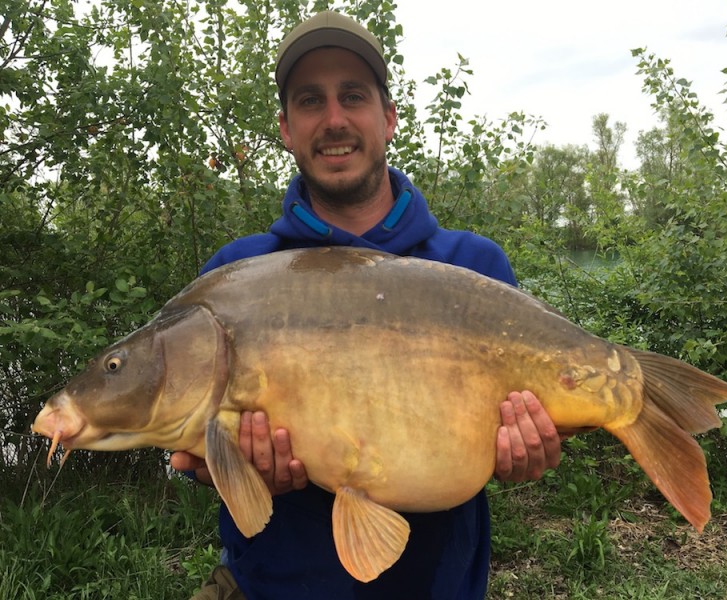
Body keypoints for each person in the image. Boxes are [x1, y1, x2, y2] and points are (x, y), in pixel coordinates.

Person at [170, 10, 562, 600]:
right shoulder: (235, 275)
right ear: (285, 127)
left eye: (352, 96)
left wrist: (528, 451)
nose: (333, 120)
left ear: (388, 117)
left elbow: (526, 434)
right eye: (310, 101)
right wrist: (220, 468)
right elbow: (186, 457)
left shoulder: (471, 269)